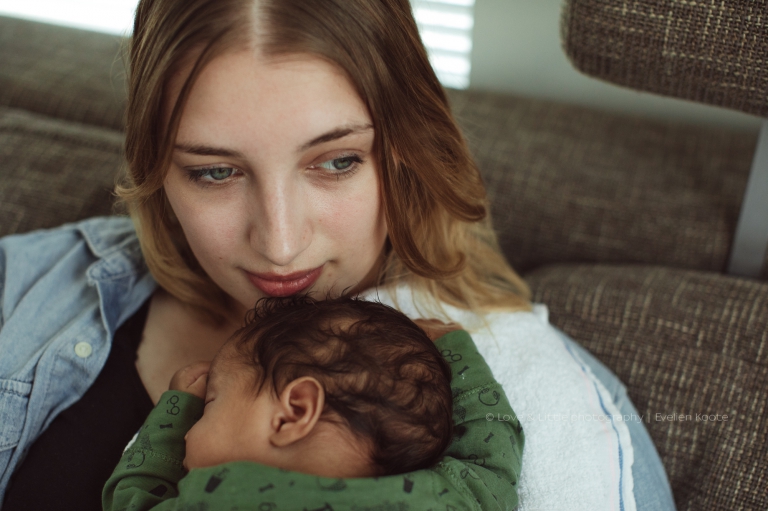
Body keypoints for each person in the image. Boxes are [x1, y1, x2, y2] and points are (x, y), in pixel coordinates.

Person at [0, 0, 675, 509]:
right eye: (214, 171)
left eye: (338, 160)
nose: (282, 242)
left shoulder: (553, 407)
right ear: (154, 167)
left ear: (405, 148)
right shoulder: (28, 286)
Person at [103, 295, 524, 509]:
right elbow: (490, 451)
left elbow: (131, 502)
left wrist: (174, 415)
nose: (195, 425)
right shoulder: (439, 498)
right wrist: (454, 349)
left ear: (294, 412)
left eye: (210, 404)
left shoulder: (211, 495)